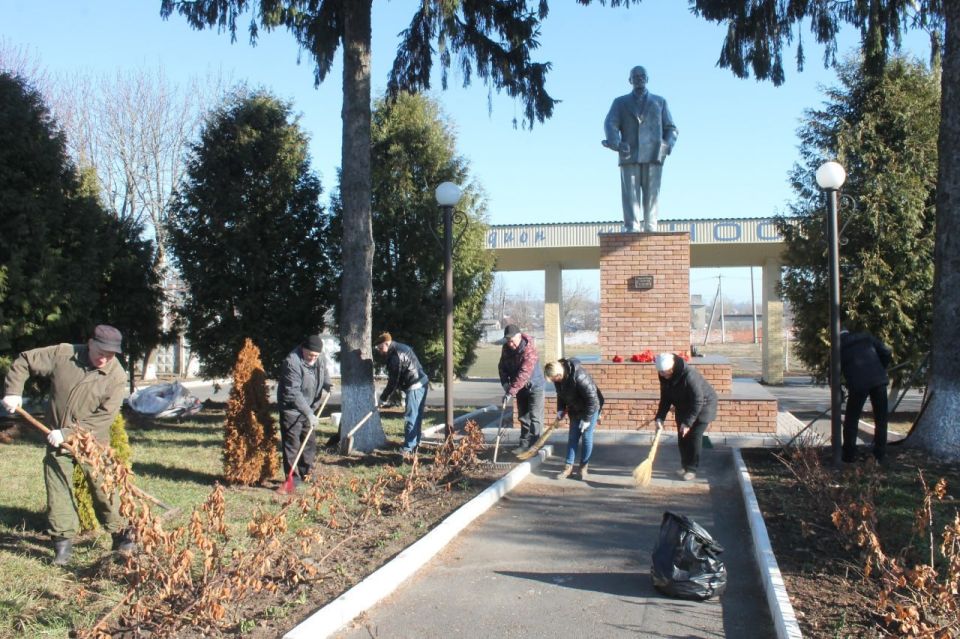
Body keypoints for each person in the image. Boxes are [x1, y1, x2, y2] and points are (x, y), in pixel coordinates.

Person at [1, 325, 134, 565]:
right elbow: (24, 360)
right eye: (101, 350)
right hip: (55, 441)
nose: (105, 357)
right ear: (90, 342)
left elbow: (104, 417)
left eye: (111, 353)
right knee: (58, 489)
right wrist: (13, 391)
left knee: (104, 489)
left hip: (92, 442)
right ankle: (62, 545)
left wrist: (67, 433)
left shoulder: (116, 376)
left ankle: (121, 535)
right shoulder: (64, 354)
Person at [602, 65, 679, 233]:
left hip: (654, 154)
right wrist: (615, 141)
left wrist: (665, 146)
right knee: (630, 194)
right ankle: (632, 227)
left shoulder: (660, 102)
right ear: (630, 80)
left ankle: (651, 226)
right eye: (635, 76)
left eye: (642, 75)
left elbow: (671, 128)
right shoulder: (620, 102)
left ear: (647, 78)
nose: (639, 78)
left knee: (652, 194)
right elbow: (610, 123)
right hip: (629, 153)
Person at [277, 335, 332, 486]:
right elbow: (293, 392)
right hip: (291, 409)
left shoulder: (319, 357)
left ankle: (307, 473)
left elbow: (324, 372)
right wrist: (308, 413)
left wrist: (328, 384)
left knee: (309, 443)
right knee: (292, 444)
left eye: (315, 355)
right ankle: (292, 479)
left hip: (310, 407)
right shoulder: (292, 362)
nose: (312, 358)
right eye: (310, 354)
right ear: (303, 349)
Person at [654, 353, 717, 481]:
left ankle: (691, 469)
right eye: (661, 372)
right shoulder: (664, 376)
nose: (663, 375)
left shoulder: (689, 375)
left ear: (672, 368)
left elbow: (698, 400)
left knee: (694, 437)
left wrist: (687, 423)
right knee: (682, 437)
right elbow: (665, 399)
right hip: (683, 406)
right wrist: (660, 417)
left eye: (666, 372)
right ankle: (684, 466)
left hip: (703, 406)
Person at [544, 358, 604, 480]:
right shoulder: (558, 379)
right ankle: (568, 467)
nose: (554, 381)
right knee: (573, 437)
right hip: (575, 409)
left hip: (591, 409)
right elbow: (561, 395)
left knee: (586, 437)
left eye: (554, 379)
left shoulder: (579, 376)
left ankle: (583, 467)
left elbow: (592, 399)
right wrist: (560, 409)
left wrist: (587, 420)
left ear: (559, 374)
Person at [840, 329, 892, 462]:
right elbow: (886, 352)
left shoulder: (838, 348)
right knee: (881, 419)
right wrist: (881, 368)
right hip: (878, 381)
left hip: (858, 385)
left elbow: (833, 374)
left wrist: (839, 391)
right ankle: (880, 454)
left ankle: (849, 454)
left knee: (851, 419)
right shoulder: (867, 338)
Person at [375, 332, 429, 455]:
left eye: (380, 347)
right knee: (416, 417)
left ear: (387, 343)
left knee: (411, 417)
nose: (379, 351)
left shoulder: (395, 355)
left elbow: (393, 381)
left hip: (415, 386)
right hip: (422, 382)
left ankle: (408, 448)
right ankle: (415, 444)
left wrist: (383, 398)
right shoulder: (399, 347)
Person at [498, 324, 544, 452]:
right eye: (507, 341)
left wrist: (510, 392)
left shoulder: (529, 350)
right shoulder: (506, 348)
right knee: (523, 416)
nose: (510, 344)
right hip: (519, 388)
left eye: (512, 341)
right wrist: (505, 384)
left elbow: (524, 374)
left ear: (519, 337)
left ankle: (535, 446)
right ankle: (524, 444)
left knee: (535, 417)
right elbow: (502, 367)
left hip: (535, 386)